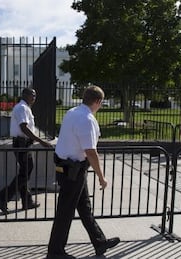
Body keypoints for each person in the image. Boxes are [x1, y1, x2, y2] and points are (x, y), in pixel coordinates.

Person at [47, 85, 120, 259]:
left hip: (69, 168)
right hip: (73, 171)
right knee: (65, 211)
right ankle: (55, 251)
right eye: (101, 103)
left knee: (84, 207)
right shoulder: (86, 119)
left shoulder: (72, 112)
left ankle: (99, 242)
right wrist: (102, 177)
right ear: (98, 101)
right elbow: (91, 152)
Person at [0, 87, 52, 214]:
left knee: (25, 172)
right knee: (25, 172)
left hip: (24, 144)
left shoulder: (24, 107)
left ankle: (27, 201)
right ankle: (3, 197)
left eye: (35, 95)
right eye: (31, 95)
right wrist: (42, 141)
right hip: (21, 144)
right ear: (24, 95)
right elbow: (24, 128)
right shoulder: (22, 108)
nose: (34, 98)